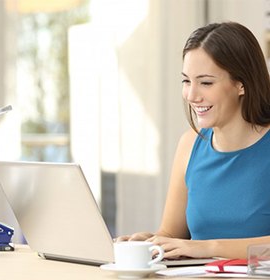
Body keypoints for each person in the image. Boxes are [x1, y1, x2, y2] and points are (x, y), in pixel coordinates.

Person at [116, 21, 270, 259]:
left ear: (241, 84)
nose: (192, 95)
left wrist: (206, 247)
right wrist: (150, 242)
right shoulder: (189, 145)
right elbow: (171, 232)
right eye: (186, 81)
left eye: (206, 82)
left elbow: (197, 246)